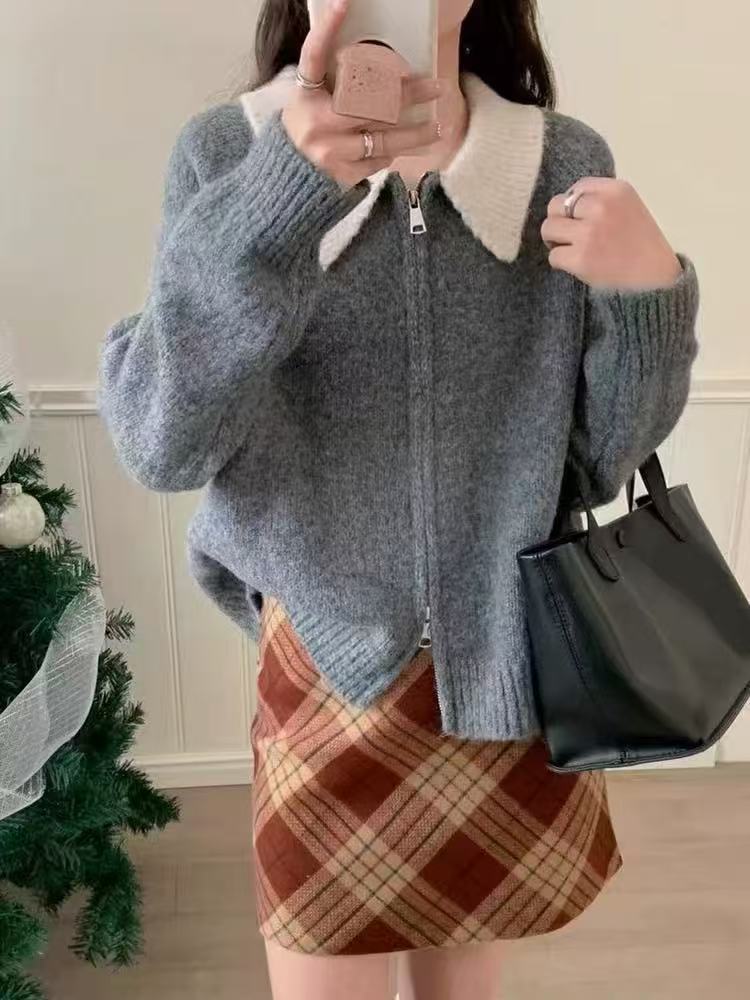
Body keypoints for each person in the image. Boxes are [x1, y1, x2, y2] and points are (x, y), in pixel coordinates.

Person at [97, 1, 700, 997]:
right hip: (322, 681)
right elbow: (163, 443)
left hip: (506, 681)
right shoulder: (226, 154)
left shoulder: (558, 163)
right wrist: (278, 201)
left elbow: (596, 465)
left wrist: (649, 298)